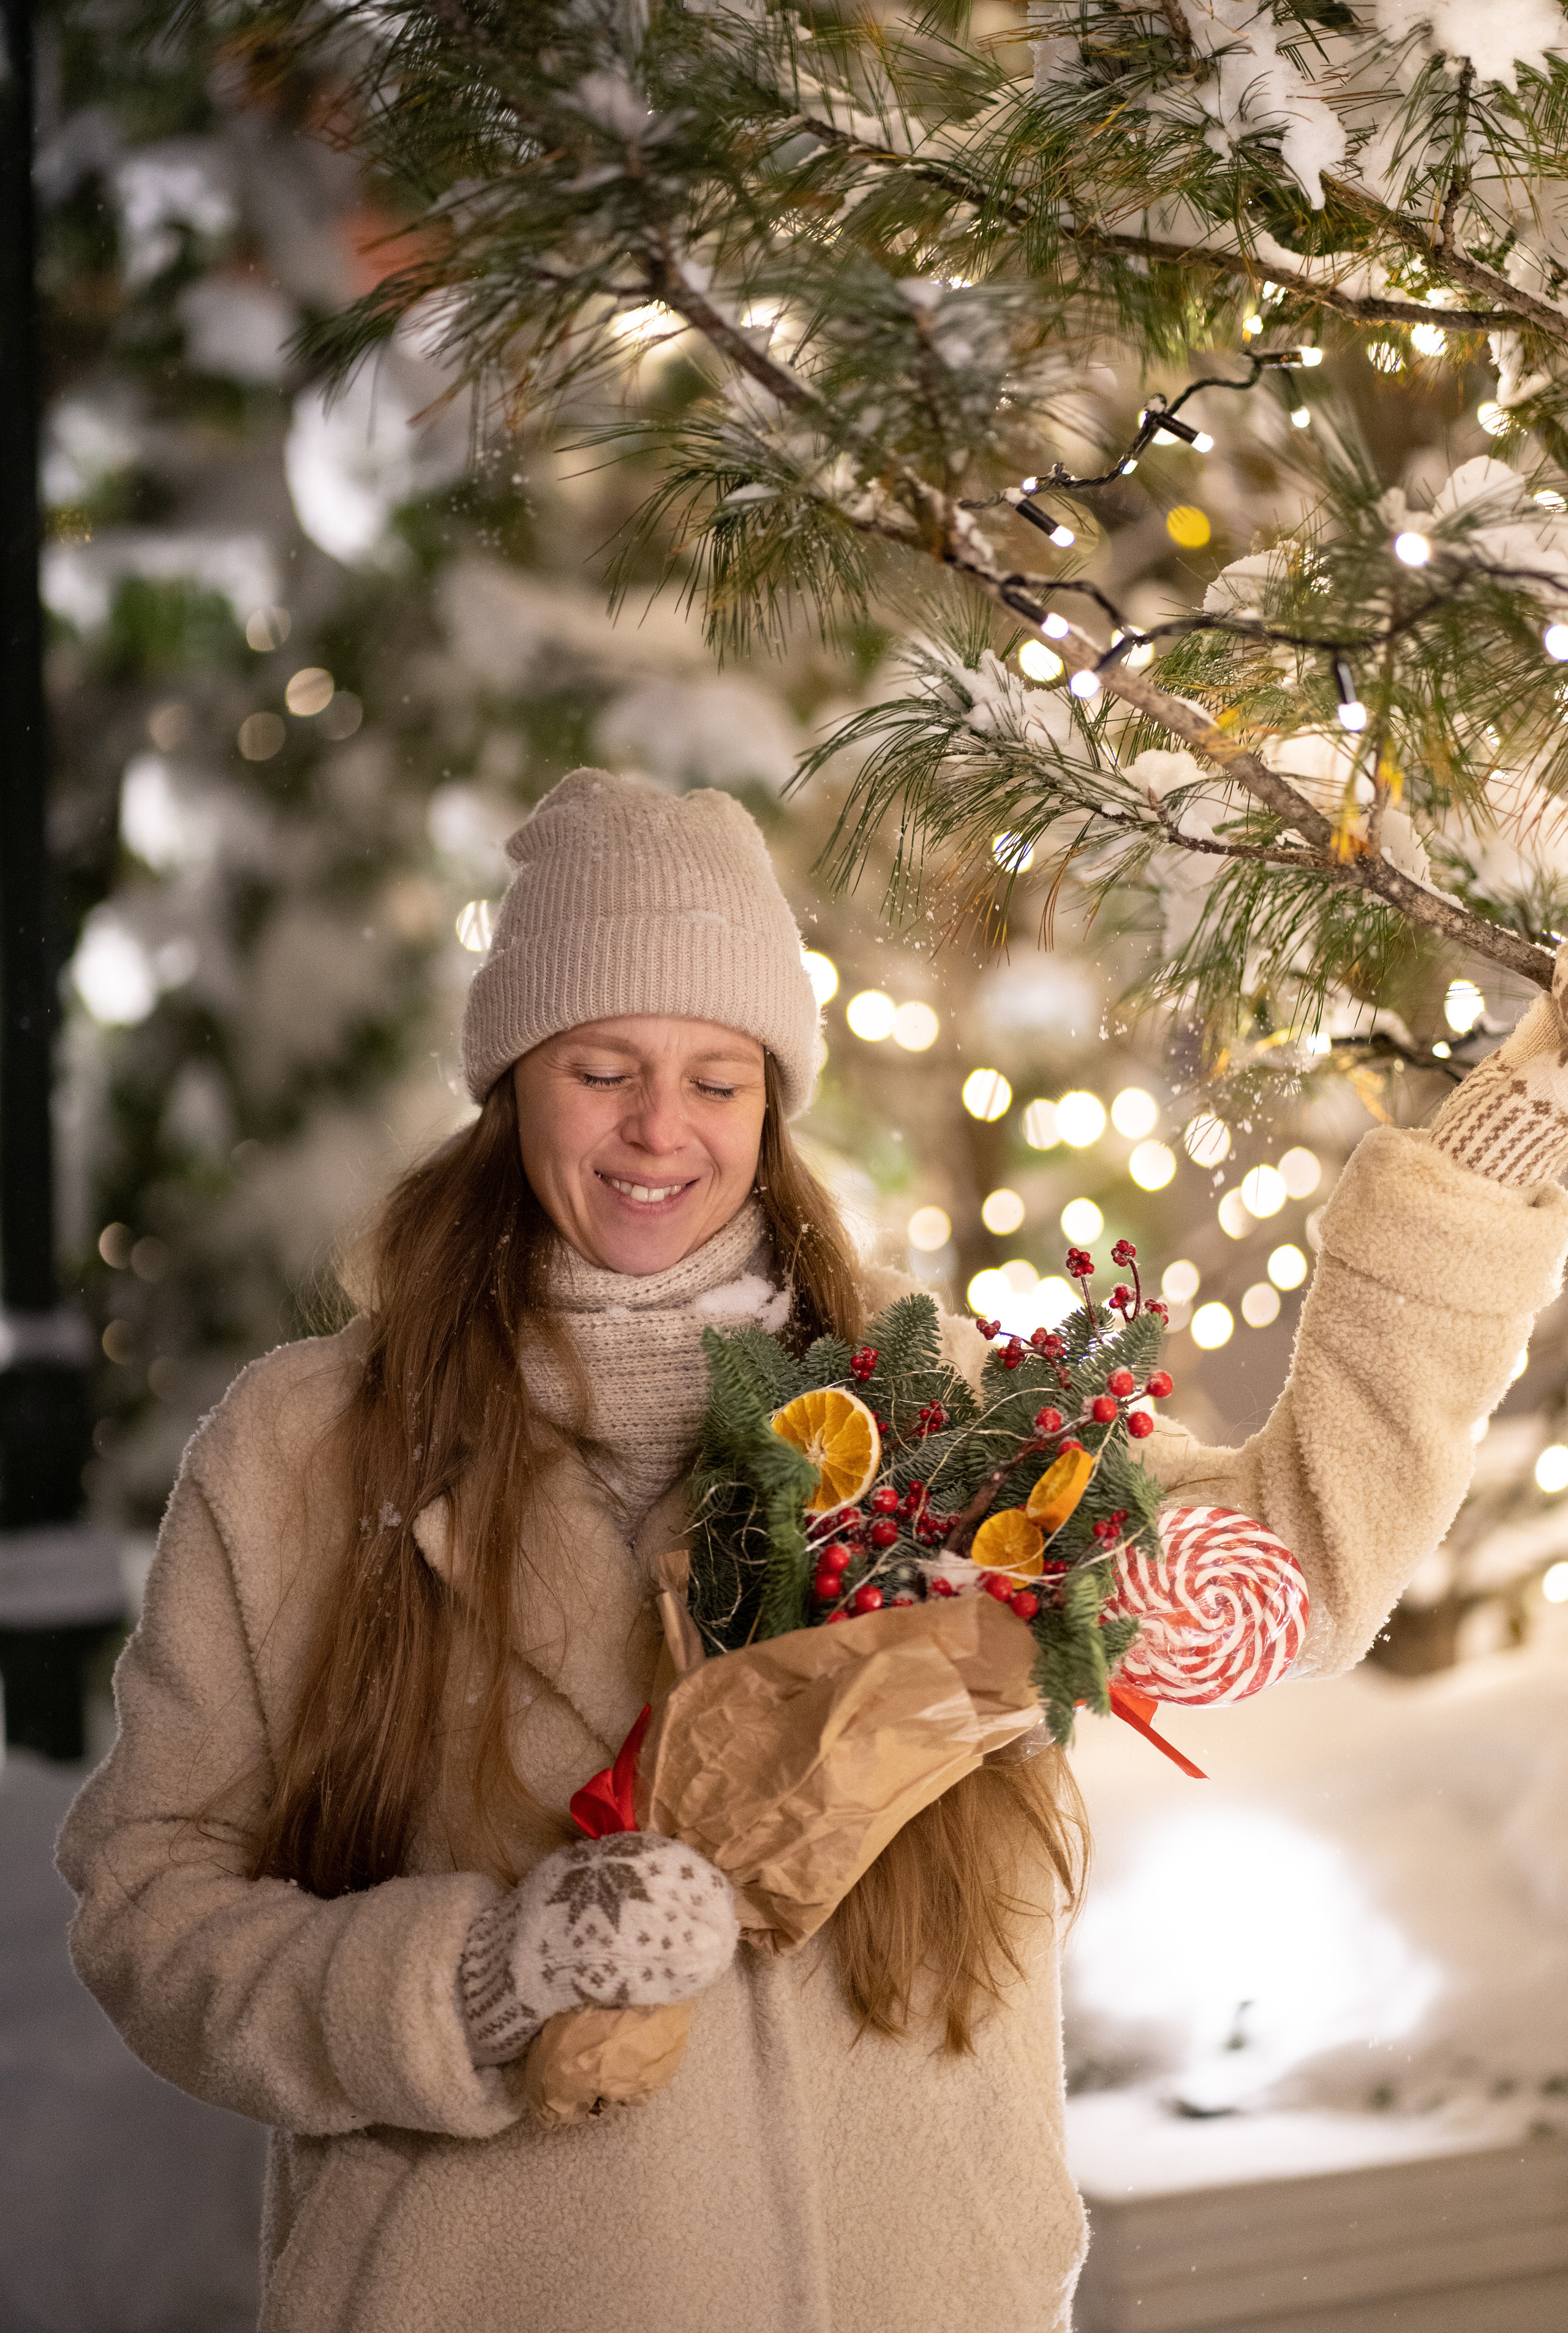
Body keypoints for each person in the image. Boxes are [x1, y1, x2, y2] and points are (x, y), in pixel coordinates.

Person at [59, 770, 1568, 2333]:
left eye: (717, 1078)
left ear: (772, 1101)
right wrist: (480, 1984)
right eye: (603, 1068)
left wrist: (1510, 1144)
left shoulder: (934, 1417)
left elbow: (1290, 1570)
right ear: (512, 1083)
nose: (661, 1129)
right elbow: (151, 1903)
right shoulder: (306, 1453)